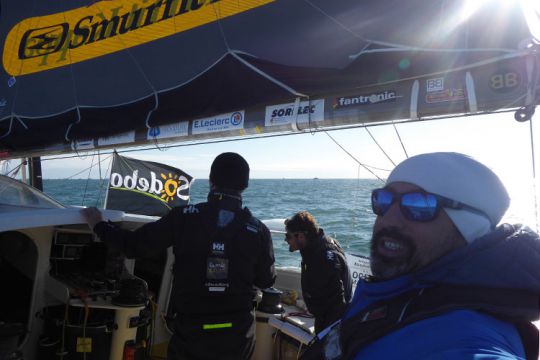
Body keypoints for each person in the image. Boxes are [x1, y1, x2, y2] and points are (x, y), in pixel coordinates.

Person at [301, 152, 540, 360]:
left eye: (419, 205)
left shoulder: (466, 335)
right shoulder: (398, 293)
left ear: (469, 227)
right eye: (384, 201)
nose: (388, 220)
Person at [81, 152, 276, 360]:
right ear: (244, 185)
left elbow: (134, 246)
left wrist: (99, 225)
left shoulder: (183, 218)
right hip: (237, 336)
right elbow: (266, 280)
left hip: (192, 333)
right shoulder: (259, 231)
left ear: (211, 181)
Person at [284, 211, 352, 333]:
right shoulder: (316, 249)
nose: (286, 240)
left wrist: (327, 336)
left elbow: (339, 304)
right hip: (324, 319)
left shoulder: (324, 258)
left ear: (301, 236)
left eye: (288, 236)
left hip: (331, 326)